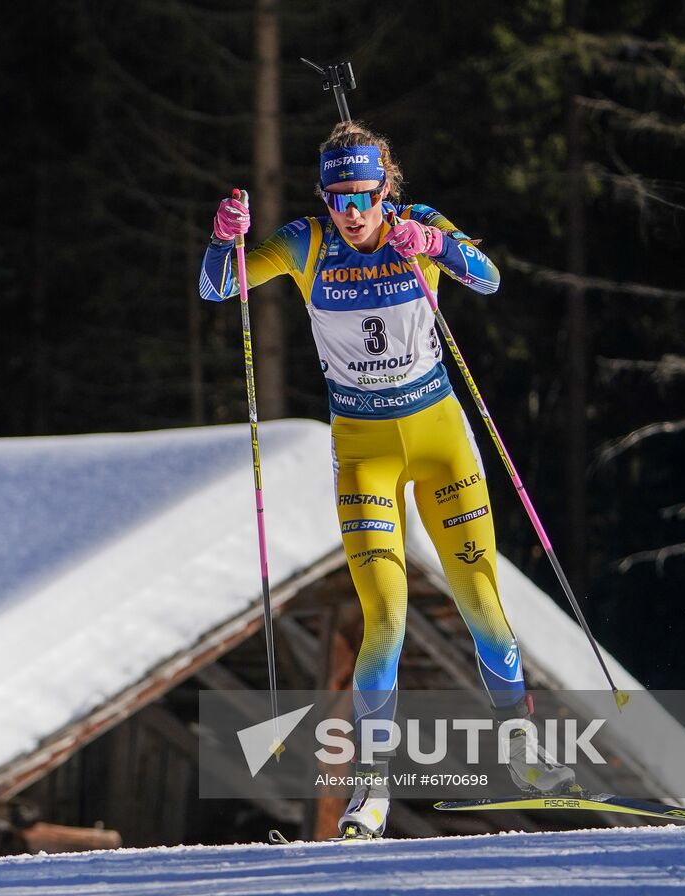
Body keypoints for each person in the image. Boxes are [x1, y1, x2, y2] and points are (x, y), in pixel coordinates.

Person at [199, 120, 575, 839]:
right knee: (386, 619)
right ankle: (368, 794)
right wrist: (225, 238)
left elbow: (488, 277)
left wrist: (435, 245)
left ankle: (523, 749)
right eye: (337, 196)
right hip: (364, 452)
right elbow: (221, 288)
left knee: (482, 604)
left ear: (385, 187)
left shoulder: (418, 225)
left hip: (440, 444)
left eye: (364, 195)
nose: (351, 210)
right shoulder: (307, 244)